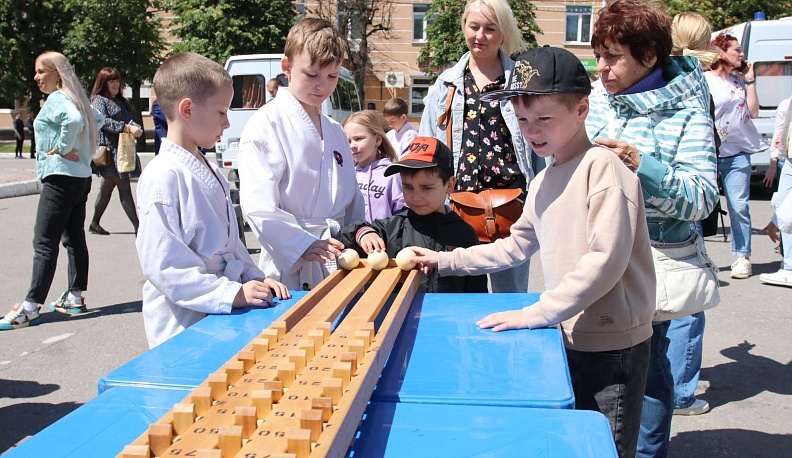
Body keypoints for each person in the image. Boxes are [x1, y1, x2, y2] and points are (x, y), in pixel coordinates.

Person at [410, 46, 655, 458]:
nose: (531, 131)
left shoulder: (603, 168)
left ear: (581, 109)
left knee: (604, 447)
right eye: (522, 120)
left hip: (612, 344)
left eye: (544, 119)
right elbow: (516, 245)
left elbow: (605, 259)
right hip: (567, 332)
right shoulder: (543, 180)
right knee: (573, 444)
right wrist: (445, 260)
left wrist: (537, 313)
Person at [585, 1, 719, 456]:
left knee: (647, 366)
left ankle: (645, 452)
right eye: (598, 55)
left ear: (649, 55)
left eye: (613, 56)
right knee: (598, 362)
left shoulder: (687, 110)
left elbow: (701, 198)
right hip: (595, 258)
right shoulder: (596, 99)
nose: (601, 68)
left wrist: (641, 165)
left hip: (652, 264)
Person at [136, 52, 290, 349]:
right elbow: (165, 267)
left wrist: (254, 278)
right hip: (184, 324)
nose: (227, 123)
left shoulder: (211, 170)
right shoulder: (163, 176)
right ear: (187, 109)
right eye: (221, 112)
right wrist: (230, 294)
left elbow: (233, 246)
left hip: (220, 312)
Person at [238, 18, 364, 291]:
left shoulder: (335, 129)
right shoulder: (265, 124)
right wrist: (302, 244)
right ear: (287, 67)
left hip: (337, 253)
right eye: (311, 75)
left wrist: (359, 234)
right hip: (291, 264)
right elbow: (257, 206)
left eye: (332, 76)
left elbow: (353, 198)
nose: (322, 86)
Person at [418, 0, 533, 293]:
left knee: (510, 296)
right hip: (458, 207)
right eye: (474, 27)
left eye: (490, 28)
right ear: (464, 28)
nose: (480, 36)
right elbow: (428, 143)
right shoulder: (446, 84)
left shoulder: (521, 81)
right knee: (457, 292)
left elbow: (538, 144)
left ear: (504, 33)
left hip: (511, 208)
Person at [0, 51, 103, 330]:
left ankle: (30, 307)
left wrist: (63, 147)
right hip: (80, 178)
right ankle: (75, 297)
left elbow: (74, 121)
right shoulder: (77, 98)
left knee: (44, 242)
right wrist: (82, 149)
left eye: (41, 71)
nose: (36, 77)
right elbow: (97, 119)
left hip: (59, 178)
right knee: (74, 238)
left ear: (57, 74)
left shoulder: (59, 98)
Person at [340, 136, 487, 293]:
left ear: (449, 185)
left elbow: (476, 287)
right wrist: (364, 233)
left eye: (426, 188)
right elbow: (348, 236)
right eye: (408, 187)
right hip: (399, 308)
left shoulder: (464, 233)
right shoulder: (394, 227)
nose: (416, 197)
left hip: (449, 308)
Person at [665, 11, 721, 418]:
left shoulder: (662, 74)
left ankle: (665, 385)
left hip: (657, 196)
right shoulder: (695, 79)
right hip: (683, 201)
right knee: (686, 300)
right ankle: (680, 393)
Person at [706, 33, 770, 279]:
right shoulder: (706, 79)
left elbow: (753, 112)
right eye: (736, 49)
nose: (741, 54)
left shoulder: (739, 80)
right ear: (721, 52)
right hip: (710, 151)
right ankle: (698, 256)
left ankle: (742, 257)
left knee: (739, 206)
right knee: (701, 206)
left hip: (738, 152)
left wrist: (750, 80)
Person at [89, 67, 144, 235]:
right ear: (103, 83)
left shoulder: (121, 101)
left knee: (106, 189)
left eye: (117, 80)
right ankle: (139, 228)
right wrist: (126, 127)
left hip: (123, 149)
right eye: (111, 81)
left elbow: (129, 119)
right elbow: (103, 121)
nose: (115, 84)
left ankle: (94, 223)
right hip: (111, 151)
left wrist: (134, 126)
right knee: (124, 188)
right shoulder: (99, 100)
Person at [344, 110, 405, 222]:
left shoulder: (392, 174)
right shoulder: (348, 174)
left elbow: (401, 215)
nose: (352, 145)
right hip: (352, 233)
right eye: (348, 141)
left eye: (358, 139)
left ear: (377, 140)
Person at [760, 95, 792, 287]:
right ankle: (788, 265)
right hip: (788, 159)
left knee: (786, 212)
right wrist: (774, 162)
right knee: (781, 205)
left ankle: (789, 267)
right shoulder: (786, 104)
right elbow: (780, 134)